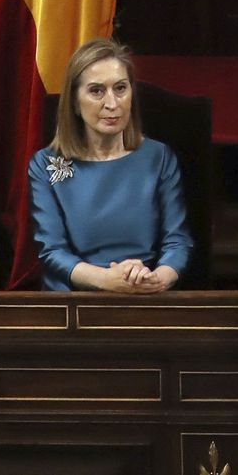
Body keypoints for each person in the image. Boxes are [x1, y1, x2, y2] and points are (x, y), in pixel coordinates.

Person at [28, 39, 193, 292]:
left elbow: (178, 242)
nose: (112, 104)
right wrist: (107, 280)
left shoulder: (158, 157)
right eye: (96, 91)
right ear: (74, 101)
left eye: (120, 88)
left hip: (144, 294)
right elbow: (52, 252)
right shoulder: (44, 164)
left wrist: (157, 279)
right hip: (74, 303)